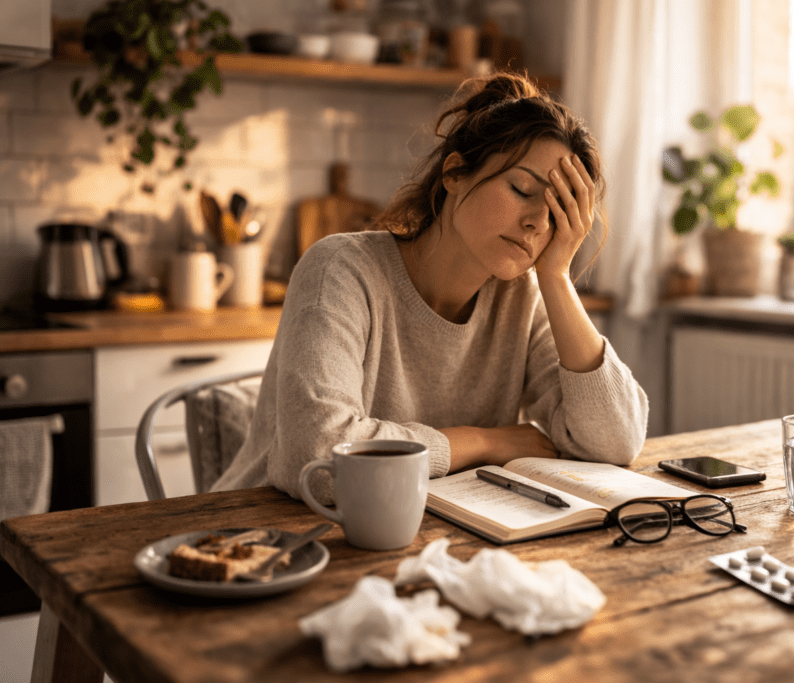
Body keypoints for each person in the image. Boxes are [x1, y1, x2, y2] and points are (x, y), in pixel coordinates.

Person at [212, 72, 648, 505]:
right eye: (522, 189)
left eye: (557, 211)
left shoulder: (523, 296)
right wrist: (483, 443)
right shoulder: (340, 270)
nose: (538, 222)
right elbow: (320, 462)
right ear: (454, 173)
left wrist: (555, 276)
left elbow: (617, 442)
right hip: (264, 530)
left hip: (419, 528)